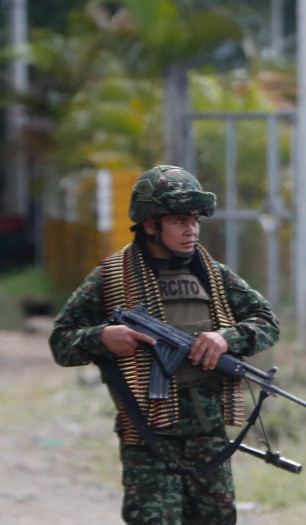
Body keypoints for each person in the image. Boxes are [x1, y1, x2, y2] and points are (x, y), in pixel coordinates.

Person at [49, 165, 280, 524]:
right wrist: (102, 339)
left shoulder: (212, 273)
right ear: (150, 224)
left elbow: (267, 322)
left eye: (195, 221)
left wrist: (225, 337)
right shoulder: (111, 277)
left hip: (208, 432)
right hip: (147, 437)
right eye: (179, 221)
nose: (191, 230)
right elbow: (61, 341)